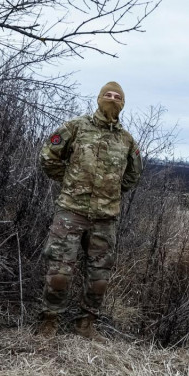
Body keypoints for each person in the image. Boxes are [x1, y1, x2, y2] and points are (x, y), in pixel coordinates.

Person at [36, 81, 143, 339]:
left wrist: (111, 193)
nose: (112, 99)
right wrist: (70, 181)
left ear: (123, 103)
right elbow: (48, 156)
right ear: (98, 98)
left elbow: (133, 174)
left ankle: (86, 325)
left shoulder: (127, 140)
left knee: (99, 278)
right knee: (59, 272)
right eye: (108, 94)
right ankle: (49, 321)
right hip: (71, 212)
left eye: (118, 96)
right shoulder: (76, 127)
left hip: (105, 219)